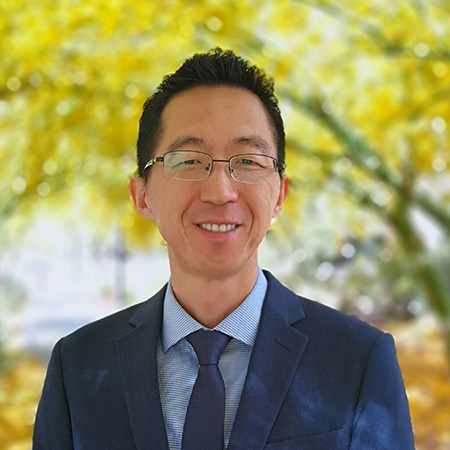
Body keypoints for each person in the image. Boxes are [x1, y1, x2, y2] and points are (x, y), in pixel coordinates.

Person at [33, 49, 415, 449]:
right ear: (142, 195)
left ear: (279, 195)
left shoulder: (358, 360)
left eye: (247, 160)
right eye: (189, 160)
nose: (220, 191)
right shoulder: (77, 366)